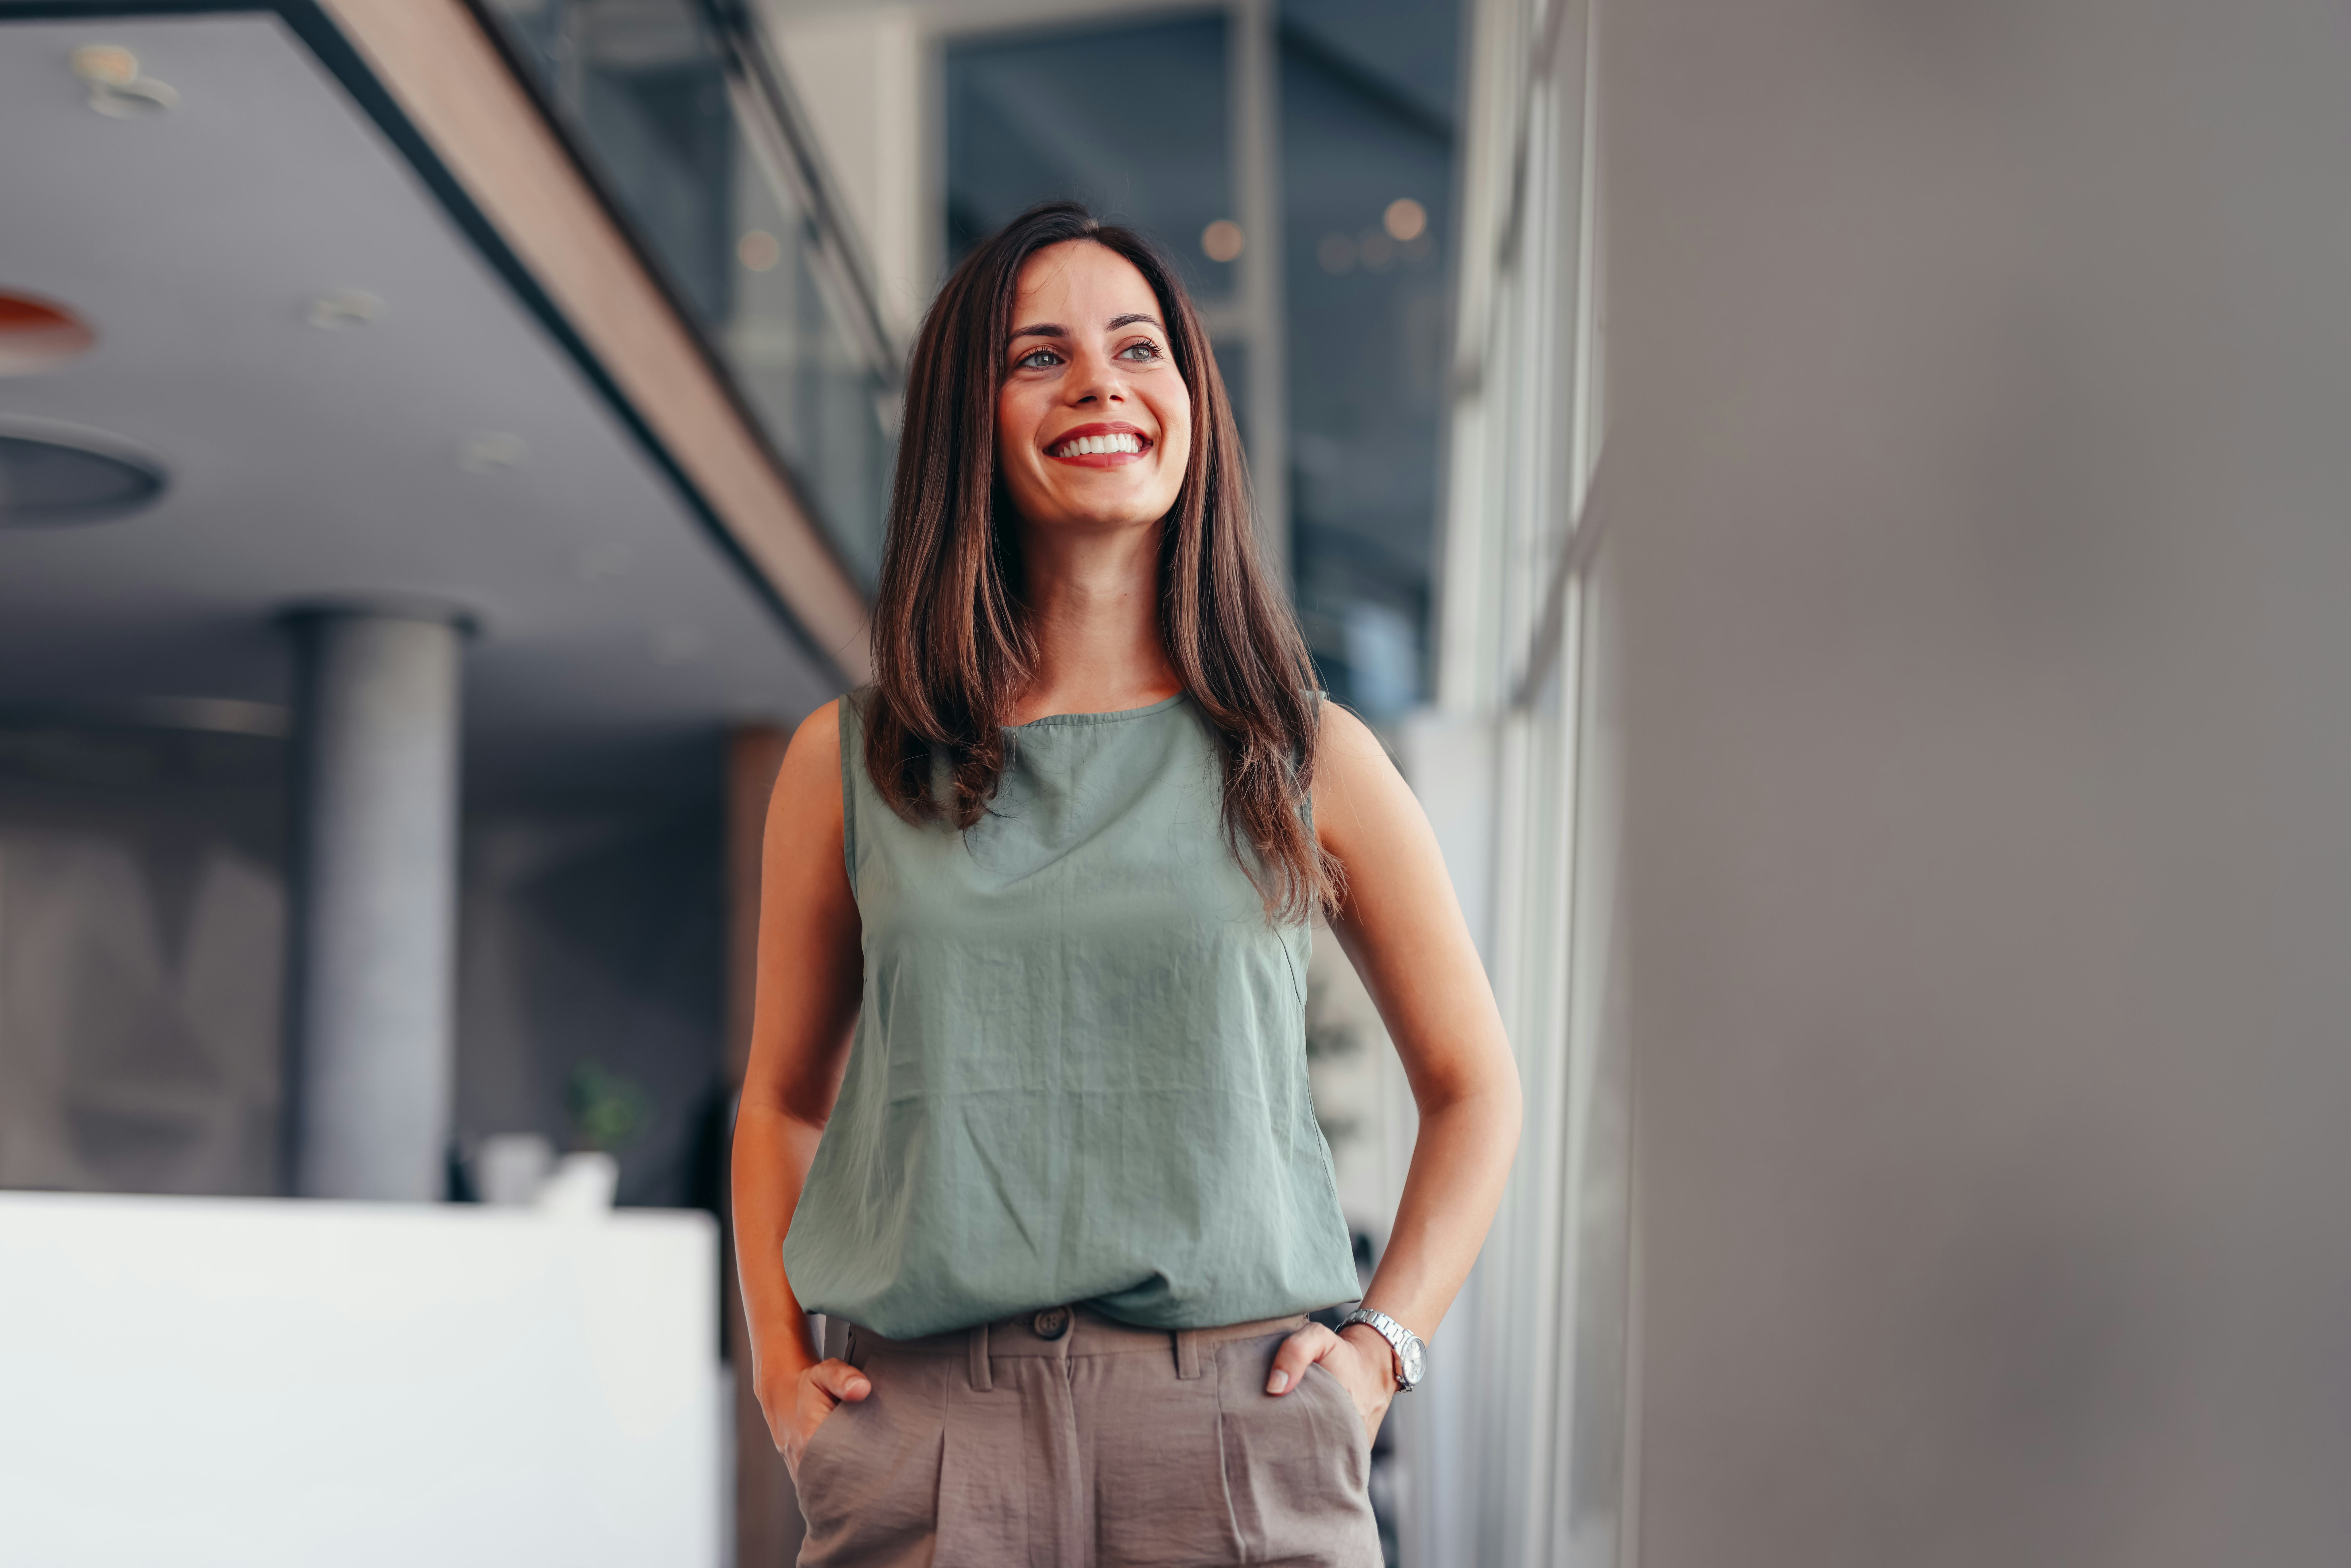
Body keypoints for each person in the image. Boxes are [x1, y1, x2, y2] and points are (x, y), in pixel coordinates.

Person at [732, 200, 1520, 1567]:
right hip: (926, 1442)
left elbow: (1474, 1086)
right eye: (1038, 356)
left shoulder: (1303, 753)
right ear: (965, 423)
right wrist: (778, 1372)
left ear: (1188, 401)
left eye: (1137, 347)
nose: (1099, 381)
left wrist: (1378, 1356)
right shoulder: (850, 762)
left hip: (1233, 1436)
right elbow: (782, 1102)